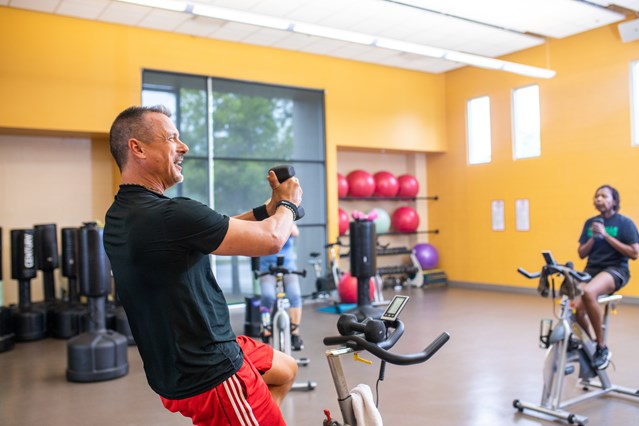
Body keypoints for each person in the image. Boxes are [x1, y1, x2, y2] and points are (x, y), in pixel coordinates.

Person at [103, 105, 303, 426]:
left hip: (178, 362)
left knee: (285, 370)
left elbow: (211, 230)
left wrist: (268, 209)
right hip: (211, 371)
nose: (184, 147)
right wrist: (289, 204)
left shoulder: (123, 214)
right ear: (137, 148)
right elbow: (272, 240)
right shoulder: (170, 214)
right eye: (172, 138)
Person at [575, 184, 639, 370]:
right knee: (575, 309)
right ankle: (591, 344)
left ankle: (602, 347)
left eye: (603, 196)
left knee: (588, 292)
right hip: (592, 270)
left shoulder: (624, 223)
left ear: (614, 201)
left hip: (616, 270)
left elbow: (634, 253)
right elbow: (581, 253)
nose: (599, 199)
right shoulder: (590, 223)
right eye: (596, 196)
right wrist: (594, 237)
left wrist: (606, 235)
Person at [258, 223, 304, 350]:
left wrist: (284, 222)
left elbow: (295, 232)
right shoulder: (264, 224)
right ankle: (266, 328)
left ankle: (295, 333)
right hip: (267, 269)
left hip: (288, 268)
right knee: (267, 296)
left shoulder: (288, 222)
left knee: (295, 295)